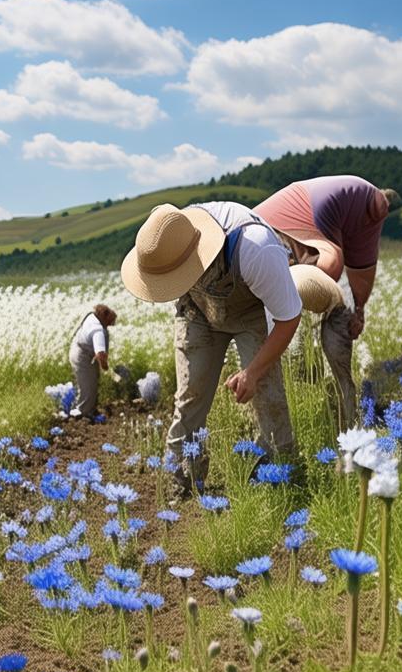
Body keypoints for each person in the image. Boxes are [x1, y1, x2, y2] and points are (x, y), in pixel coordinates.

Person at [121, 201, 302, 493]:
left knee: (267, 391)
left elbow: (289, 318)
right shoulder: (169, 241)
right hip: (198, 310)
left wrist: (252, 372)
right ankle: (183, 476)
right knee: (191, 394)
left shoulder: (257, 249)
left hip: (250, 312)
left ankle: (278, 473)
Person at [254, 176, 401, 429]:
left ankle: (338, 416)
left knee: (326, 275)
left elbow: (363, 265)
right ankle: (326, 410)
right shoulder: (352, 196)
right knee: (330, 265)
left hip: (278, 248)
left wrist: (360, 310)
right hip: (278, 235)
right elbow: (347, 261)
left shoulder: (364, 213)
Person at [68, 304, 117, 417]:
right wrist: (105, 367)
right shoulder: (98, 330)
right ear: (104, 317)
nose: (110, 325)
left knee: (91, 382)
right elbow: (100, 354)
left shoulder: (92, 317)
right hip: (82, 356)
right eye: (110, 322)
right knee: (88, 386)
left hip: (81, 350)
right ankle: (83, 413)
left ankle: (90, 409)